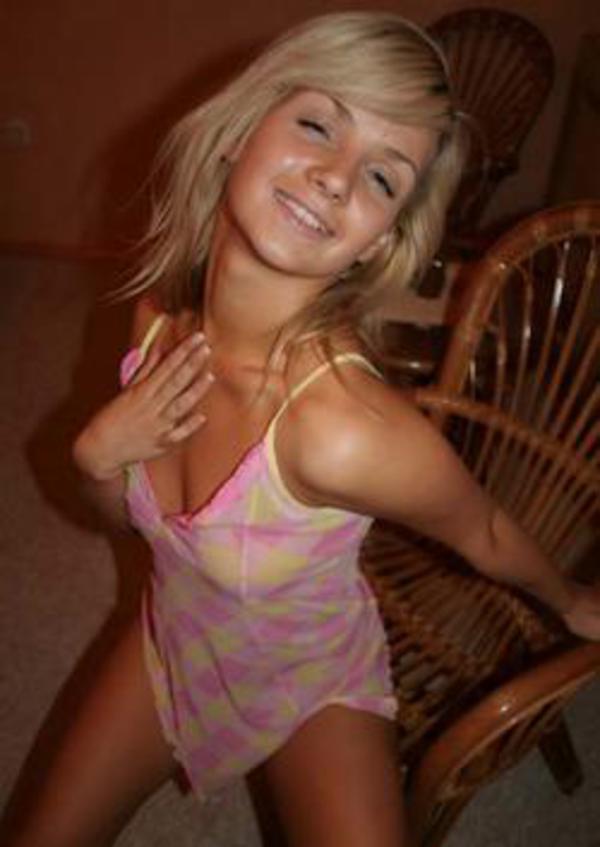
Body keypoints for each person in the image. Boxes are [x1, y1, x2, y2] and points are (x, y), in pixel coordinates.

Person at [7, 11, 600, 847]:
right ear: (237, 131)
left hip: (310, 674)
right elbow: (119, 518)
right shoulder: (158, 320)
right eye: (319, 124)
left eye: (382, 177)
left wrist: (574, 602)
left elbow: (486, 529)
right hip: (175, 634)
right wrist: (96, 458)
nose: (334, 177)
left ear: (376, 244)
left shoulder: (342, 429)